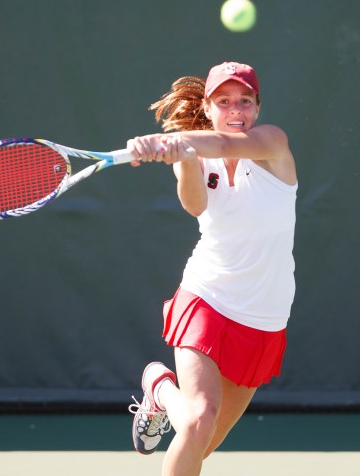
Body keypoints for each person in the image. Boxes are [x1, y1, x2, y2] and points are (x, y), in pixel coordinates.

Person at [126, 62, 297, 476]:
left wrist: (168, 141)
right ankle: (168, 392)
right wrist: (182, 157)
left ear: (257, 107)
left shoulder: (272, 142)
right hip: (207, 297)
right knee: (199, 418)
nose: (235, 109)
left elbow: (222, 145)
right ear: (209, 106)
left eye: (244, 101)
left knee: (202, 442)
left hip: (264, 317)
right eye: (224, 101)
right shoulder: (198, 155)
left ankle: (161, 389)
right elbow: (195, 205)